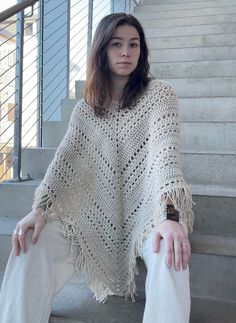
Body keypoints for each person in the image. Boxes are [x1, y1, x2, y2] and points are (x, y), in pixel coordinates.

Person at [0, 13, 194, 323]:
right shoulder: (86, 109)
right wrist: (40, 209)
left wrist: (170, 216)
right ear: (102, 50)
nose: (126, 52)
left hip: (149, 209)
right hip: (89, 213)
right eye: (116, 44)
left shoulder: (160, 95)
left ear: (142, 51)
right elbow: (65, 161)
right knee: (29, 242)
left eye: (134, 44)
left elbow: (165, 156)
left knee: (170, 252)